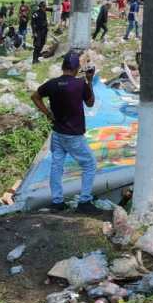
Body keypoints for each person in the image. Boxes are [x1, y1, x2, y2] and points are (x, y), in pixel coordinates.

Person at [30, 53, 100, 214]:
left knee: (57, 166)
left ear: (63, 68)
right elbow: (90, 103)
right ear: (76, 69)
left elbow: (35, 96)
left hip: (57, 133)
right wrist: (90, 81)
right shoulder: (80, 84)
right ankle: (84, 201)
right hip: (73, 134)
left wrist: (48, 113)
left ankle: (57, 201)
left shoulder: (52, 84)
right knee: (89, 165)